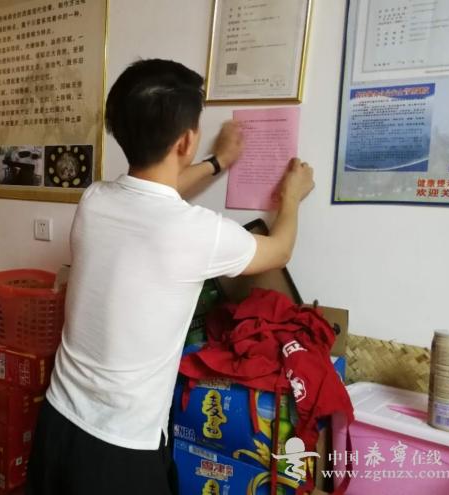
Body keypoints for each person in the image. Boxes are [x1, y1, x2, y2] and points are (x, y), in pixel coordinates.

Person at [25, 59, 314, 495]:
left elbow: (155, 192)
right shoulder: (195, 232)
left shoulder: (94, 200)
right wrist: (291, 197)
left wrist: (218, 162)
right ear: (186, 140)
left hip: (56, 424)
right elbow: (280, 249)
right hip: (120, 450)